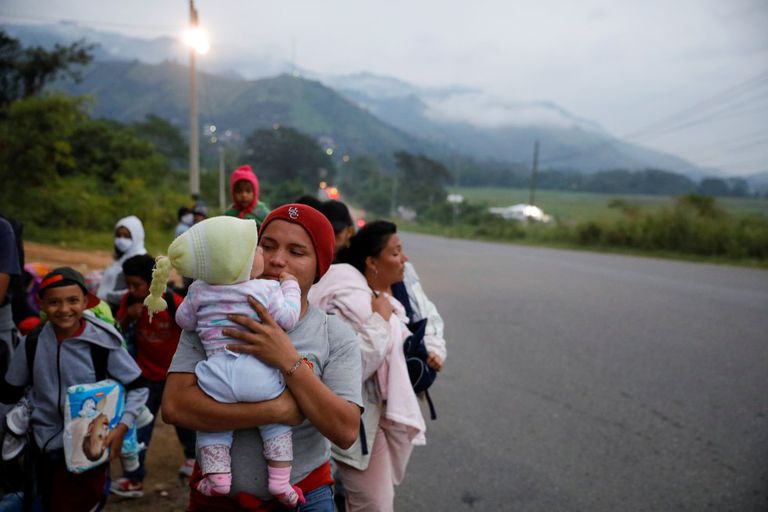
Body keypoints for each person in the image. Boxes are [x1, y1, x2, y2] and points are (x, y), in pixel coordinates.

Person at [161, 203, 362, 511]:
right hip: (216, 500)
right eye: (267, 246)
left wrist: (287, 360)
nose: (277, 260)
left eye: (297, 252)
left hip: (304, 498)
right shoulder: (213, 314)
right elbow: (175, 407)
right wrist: (277, 410)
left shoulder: (335, 335)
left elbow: (345, 430)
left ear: (320, 267)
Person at [144, 216, 304, 505]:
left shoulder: (199, 291)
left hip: (215, 379)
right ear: (238, 262)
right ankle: (280, 483)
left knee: (213, 428)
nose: (264, 256)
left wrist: (198, 298)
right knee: (277, 426)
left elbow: (184, 320)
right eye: (257, 250)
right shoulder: (266, 290)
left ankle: (218, 481)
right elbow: (289, 319)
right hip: (261, 378)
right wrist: (291, 287)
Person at [308, 220, 443, 512]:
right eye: (395, 252)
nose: (404, 259)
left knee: (376, 502)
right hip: (359, 421)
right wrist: (380, 320)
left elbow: (429, 321)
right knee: (374, 505)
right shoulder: (346, 299)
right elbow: (350, 368)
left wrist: (433, 348)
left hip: (378, 416)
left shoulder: (398, 291)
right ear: (372, 262)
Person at [0, 267, 148, 511]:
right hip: (43, 449)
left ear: (86, 302)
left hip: (88, 451)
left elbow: (138, 386)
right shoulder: (33, 342)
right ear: (42, 303)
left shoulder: (102, 342)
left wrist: (122, 427)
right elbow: (9, 392)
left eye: (73, 301)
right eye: (54, 302)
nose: (64, 309)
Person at [109, 254, 197, 498]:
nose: (132, 290)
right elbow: (115, 333)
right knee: (140, 427)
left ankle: (192, 459)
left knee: (183, 421)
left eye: (136, 285)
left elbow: (193, 328)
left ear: (153, 281)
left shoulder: (172, 301)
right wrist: (128, 317)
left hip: (173, 376)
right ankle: (134, 478)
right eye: (128, 285)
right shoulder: (129, 302)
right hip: (145, 377)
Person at [96, 215, 147, 311]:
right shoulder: (121, 258)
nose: (121, 240)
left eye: (126, 236)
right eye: (118, 235)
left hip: (119, 309)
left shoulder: (140, 260)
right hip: (104, 306)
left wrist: (108, 296)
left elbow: (138, 290)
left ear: (137, 236)